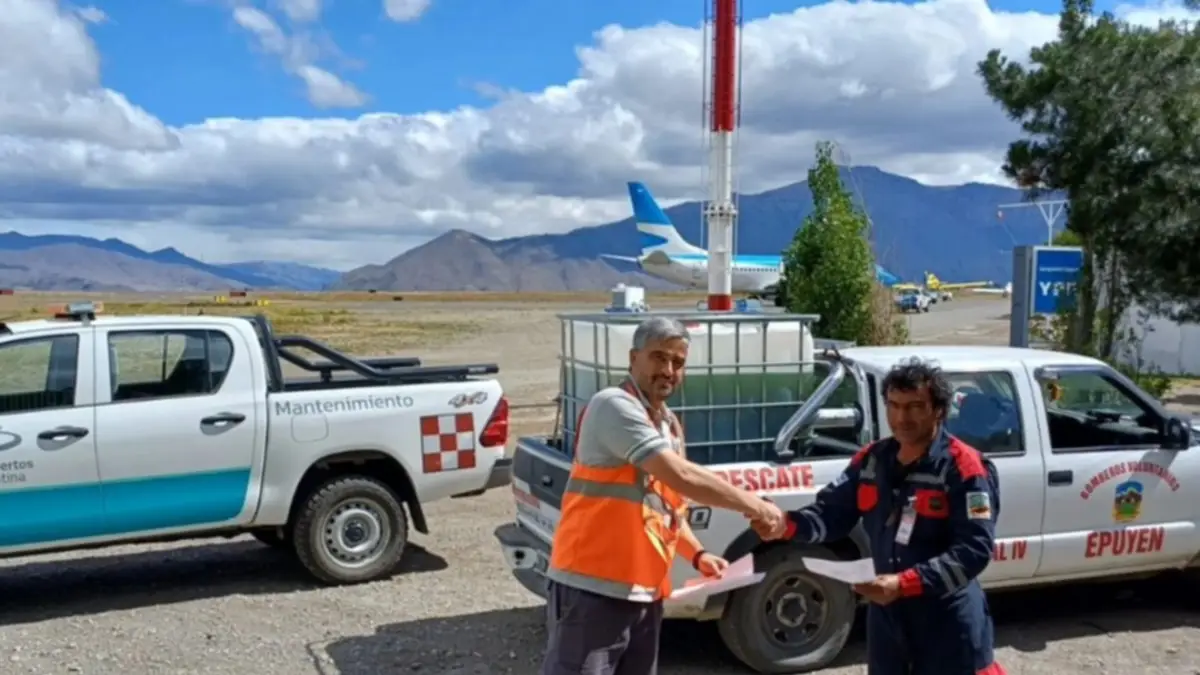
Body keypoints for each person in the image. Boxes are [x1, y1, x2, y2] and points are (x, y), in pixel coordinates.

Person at [542, 316, 785, 675]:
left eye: (678, 362)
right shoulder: (613, 405)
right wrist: (757, 506)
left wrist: (698, 554)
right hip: (592, 590)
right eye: (659, 357)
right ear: (633, 358)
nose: (668, 370)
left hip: (644, 594)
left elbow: (667, 507)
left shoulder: (668, 424)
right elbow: (682, 476)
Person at [754, 357, 1005, 675]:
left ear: (939, 410)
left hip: (947, 622)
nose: (902, 417)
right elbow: (830, 514)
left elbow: (974, 551)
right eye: (894, 406)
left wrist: (904, 583)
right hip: (887, 619)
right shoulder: (871, 461)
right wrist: (785, 524)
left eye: (914, 406)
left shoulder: (964, 468)